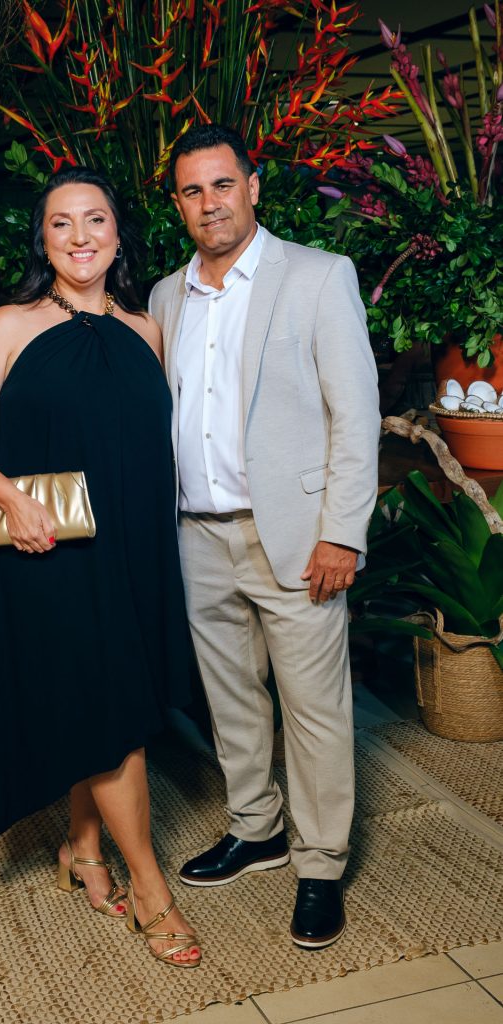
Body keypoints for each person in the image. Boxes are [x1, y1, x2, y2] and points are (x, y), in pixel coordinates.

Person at [0, 166, 201, 968]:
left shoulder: (146, 329)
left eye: (95, 220)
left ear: (118, 235)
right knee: (111, 707)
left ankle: (83, 848)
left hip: (135, 545)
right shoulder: (10, 325)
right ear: (42, 239)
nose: (80, 237)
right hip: (49, 546)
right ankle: (150, 888)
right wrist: (11, 502)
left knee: (104, 699)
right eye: (61, 223)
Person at [149, 125, 380, 950]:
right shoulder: (166, 297)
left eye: (222, 184)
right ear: (177, 205)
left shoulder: (317, 276)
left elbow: (354, 414)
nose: (208, 203)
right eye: (191, 191)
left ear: (252, 187)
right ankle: (256, 828)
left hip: (294, 535)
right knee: (231, 698)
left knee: (313, 711)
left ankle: (320, 864)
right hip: (197, 534)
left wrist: (341, 534)